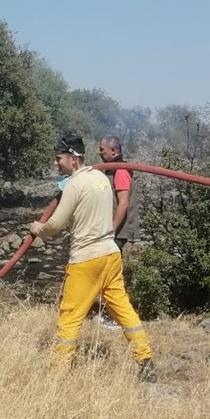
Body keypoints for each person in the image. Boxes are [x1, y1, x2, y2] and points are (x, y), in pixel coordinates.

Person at [28, 135, 157, 382]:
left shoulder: (75, 185)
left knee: (71, 314)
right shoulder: (99, 178)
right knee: (123, 309)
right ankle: (145, 360)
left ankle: (57, 372)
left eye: (59, 158)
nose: (55, 163)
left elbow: (55, 225)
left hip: (86, 259)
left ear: (73, 159)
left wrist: (38, 228)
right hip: (110, 253)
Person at [94, 135, 141, 330]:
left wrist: (110, 231)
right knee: (107, 272)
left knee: (112, 275)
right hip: (112, 231)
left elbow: (123, 204)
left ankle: (117, 318)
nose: (99, 152)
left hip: (117, 232)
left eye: (102, 149)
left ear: (113, 151)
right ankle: (111, 314)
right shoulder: (110, 169)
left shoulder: (120, 171)